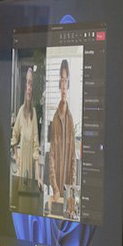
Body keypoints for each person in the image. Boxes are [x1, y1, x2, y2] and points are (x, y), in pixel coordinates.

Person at [47, 57, 77, 218]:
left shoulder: (71, 121)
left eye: (66, 81)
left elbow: (73, 158)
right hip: (56, 194)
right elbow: (51, 157)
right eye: (62, 81)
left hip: (67, 195)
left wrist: (70, 191)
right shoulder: (54, 120)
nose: (64, 86)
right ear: (59, 85)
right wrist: (55, 187)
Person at [10, 66, 40, 184]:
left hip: (30, 169)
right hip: (21, 169)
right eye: (27, 83)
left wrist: (39, 177)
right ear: (24, 86)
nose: (29, 87)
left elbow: (36, 146)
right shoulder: (20, 112)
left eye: (31, 84)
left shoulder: (34, 114)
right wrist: (16, 157)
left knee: (29, 199)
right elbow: (14, 136)